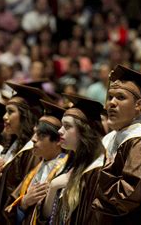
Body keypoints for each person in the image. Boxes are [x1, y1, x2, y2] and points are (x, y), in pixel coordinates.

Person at [92, 65, 141, 224]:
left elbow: (127, 196)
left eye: (121, 97)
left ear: (138, 105)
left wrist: (90, 187)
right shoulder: (110, 137)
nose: (111, 103)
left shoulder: (140, 141)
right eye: (110, 97)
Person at [43, 94, 106, 224]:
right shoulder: (72, 164)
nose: (60, 131)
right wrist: (53, 187)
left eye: (67, 126)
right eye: (61, 125)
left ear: (84, 131)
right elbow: (48, 215)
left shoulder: (97, 170)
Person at [0, 82, 43, 225]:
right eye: (5, 111)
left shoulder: (32, 152)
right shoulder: (13, 146)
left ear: (25, 116)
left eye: (11, 112)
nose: (4, 117)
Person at [3, 100, 68, 225]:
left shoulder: (65, 170)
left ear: (58, 141)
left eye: (41, 135)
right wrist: (24, 203)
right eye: (34, 133)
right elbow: (10, 211)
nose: (33, 139)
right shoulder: (36, 168)